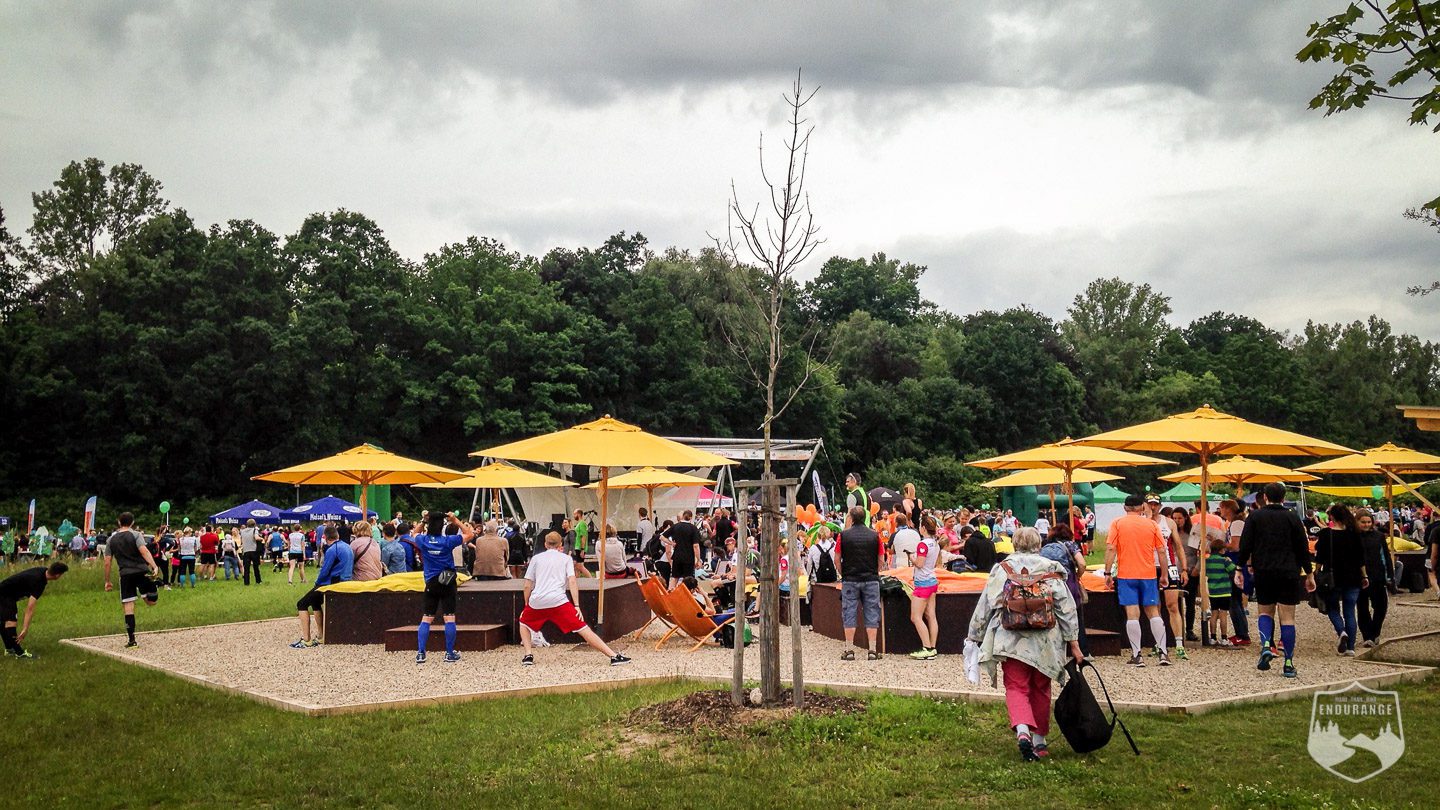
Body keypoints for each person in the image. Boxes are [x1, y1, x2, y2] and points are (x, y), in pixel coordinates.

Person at [967, 527, 1083, 762]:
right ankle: (1040, 741)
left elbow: (986, 605)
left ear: (1014, 544)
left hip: (1011, 639)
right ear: (1038, 545)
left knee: (1016, 686)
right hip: (1046, 640)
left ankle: (1022, 731)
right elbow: (1066, 609)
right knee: (1041, 687)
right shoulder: (1050, 569)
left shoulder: (1003, 569)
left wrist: (975, 635)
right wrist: (1074, 643)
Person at [1236, 482, 1315, 679]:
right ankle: (1288, 662)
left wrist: (1240, 567)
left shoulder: (1255, 516)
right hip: (1289, 571)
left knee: (1265, 611)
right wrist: (1309, 573)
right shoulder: (1292, 517)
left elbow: (1246, 545)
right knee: (1287, 618)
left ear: (1264, 497)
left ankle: (1265, 645)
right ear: (1283, 497)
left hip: (1264, 570)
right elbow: (1302, 547)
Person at [517, 531, 631, 667]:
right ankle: (613, 656)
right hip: (558, 600)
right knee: (582, 628)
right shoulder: (566, 559)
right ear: (560, 545)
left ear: (545, 544)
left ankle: (528, 655)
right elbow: (572, 582)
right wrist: (577, 605)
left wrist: (526, 605)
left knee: (524, 623)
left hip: (537, 600)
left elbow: (527, 585)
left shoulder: (536, 559)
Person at [1103, 494, 1170, 667]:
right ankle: (1163, 652)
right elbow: (1162, 551)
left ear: (1125, 508)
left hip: (1126, 575)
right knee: (1153, 612)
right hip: (1148, 574)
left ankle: (1137, 654)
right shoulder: (1152, 524)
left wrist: (1107, 572)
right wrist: (1164, 574)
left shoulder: (1117, 523)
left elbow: (1111, 548)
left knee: (1132, 614)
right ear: (1142, 507)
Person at [414, 513, 477, 664]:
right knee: (449, 617)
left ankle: (421, 652)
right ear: (442, 526)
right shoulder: (447, 541)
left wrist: (423, 520)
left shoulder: (423, 540)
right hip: (448, 580)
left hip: (431, 582)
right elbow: (469, 534)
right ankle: (449, 652)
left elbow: (415, 532)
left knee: (427, 617)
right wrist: (455, 520)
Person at [102, 513, 161, 649]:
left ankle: (132, 639)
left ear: (118, 522)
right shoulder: (136, 535)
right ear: (132, 522)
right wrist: (154, 566)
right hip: (141, 570)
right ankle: (152, 589)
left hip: (125, 574)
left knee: (128, 606)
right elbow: (144, 551)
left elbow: (107, 562)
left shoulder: (111, 540)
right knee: (152, 601)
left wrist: (107, 580)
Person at [1315, 504, 1368, 657]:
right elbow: (1361, 558)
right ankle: (1350, 647)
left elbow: (1320, 557)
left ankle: (1341, 631)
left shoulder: (1326, 534)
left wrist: (1316, 571)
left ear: (1331, 517)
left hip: (1333, 578)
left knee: (1332, 608)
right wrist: (1364, 575)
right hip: (1353, 577)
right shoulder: (1354, 533)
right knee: (1350, 611)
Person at [291, 527, 353, 649]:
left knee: (302, 604)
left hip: (331, 583)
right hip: (345, 581)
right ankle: (321, 636)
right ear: (337, 535)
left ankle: (306, 639)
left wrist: (317, 583)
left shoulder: (332, 550)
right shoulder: (347, 547)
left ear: (325, 537)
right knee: (315, 602)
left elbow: (325, 570)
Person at [838, 505, 883, 660]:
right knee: (872, 612)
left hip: (850, 579)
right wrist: (875, 571)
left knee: (849, 612)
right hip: (871, 579)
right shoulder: (875, 535)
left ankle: (849, 649)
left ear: (851, 518)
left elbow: (837, 558)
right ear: (865, 518)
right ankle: (872, 650)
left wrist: (842, 573)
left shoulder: (843, 535)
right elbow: (881, 559)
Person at [1147, 496, 1188, 660]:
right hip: (1149, 567)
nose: (1153, 507)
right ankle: (1159, 642)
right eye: (1150, 504)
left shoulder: (1168, 522)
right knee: (1154, 606)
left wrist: (1183, 569)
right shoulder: (1143, 522)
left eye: (1156, 504)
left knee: (1172, 605)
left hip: (1169, 566)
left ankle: (1179, 644)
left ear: (1160, 506)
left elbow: (1178, 546)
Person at [1, 562, 68, 658]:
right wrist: (25, 629)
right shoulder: (39, 582)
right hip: (5, 595)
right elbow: (30, 608)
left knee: (4, 622)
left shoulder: (42, 571)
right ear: (57, 575)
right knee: (11, 622)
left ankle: (9, 650)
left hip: (5, 592)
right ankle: (19, 653)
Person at [1040, 523, 1088, 655]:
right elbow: (1082, 563)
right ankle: (1082, 649)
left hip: (1049, 584)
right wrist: (1077, 575)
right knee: (1076, 615)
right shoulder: (1070, 545)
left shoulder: (1045, 547)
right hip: (1069, 583)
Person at [1354, 508, 1394, 647]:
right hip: (1359, 577)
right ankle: (1367, 636)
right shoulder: (1353, 536)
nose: (1366, 525)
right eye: (1363, 522)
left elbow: (1386, 556)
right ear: (1357, 522)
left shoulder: (1378, 536)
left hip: (1377, 575)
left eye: (1368, 522)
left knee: (1381, 606)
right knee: (1362, 607)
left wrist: (1390, 574)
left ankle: (1375, 631)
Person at [1217, 499, 1252, 646]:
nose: (1220, 511)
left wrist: (1221, 544)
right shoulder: (1236, 523)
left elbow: (1236, 546)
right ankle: (1241, 632)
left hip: (1236, 563)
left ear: (1228, 509)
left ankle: (1242, 634)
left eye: (1221, 508)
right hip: (1236, 562)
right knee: (1235, 599)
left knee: (1234, 599)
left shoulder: (1237, 524)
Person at [907, 514, 941, 660]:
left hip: (922, 583)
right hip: (932, 580)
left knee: (915, 617)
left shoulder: (923, 544)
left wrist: (912, 558)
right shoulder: (936, 543)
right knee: (931, 615)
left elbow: (920, 564)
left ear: (923, 528)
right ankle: (932, 647)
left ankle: (926, 647)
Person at [1205, 536, 1239, 646]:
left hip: (1213, 591)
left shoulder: (1207, 561)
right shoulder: (1224, 560)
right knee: (1223, 614)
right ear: (1221, 550)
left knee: (1214, 613)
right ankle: (1224, 638)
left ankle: (1213, 637)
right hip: (1224, 591)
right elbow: (1233, 569)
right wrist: (1230, 561)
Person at [666, 511, 702, 587]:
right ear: (691, 517)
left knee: (674, 578)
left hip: (677, 556)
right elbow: (695, 546)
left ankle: (670, 594)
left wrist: (671, 543)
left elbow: (662, 536)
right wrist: (698, 559)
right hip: (688, 557)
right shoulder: (693, 528)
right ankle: (686, 596)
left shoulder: (676, 526)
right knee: (688, 579)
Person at [239, 519, 263, 585]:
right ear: (254, 524)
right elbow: (256, 538)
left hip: (245, 551)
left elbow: (241, 540)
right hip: (253, 550)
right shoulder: (255, 530)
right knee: (256, 567)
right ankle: (258, 581)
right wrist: (261, 538)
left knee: (246, 568)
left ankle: (246, 582)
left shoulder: (242, 531)